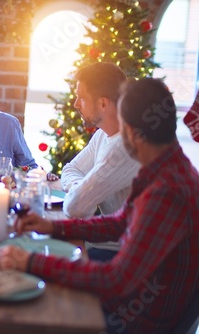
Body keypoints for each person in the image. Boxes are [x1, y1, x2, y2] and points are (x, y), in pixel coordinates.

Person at [0, 78, 199, 334]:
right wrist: (53, 227)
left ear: (133, 134)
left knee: (31, 308)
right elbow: (120, 222)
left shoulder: (165, 192)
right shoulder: (168, 168)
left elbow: (116, 279)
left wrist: (31, 261)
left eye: (121, 127)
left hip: (138, 321)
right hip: (136, 302)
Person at [60, 62, 140, 261]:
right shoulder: (103, 135)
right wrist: (80, 186)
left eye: (81, 98)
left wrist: (82, 193)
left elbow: (75, 207)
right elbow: (71, 168)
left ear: (103, 104)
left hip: (122, 253)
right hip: (102, 242)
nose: (75, 104)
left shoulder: (125, 147)